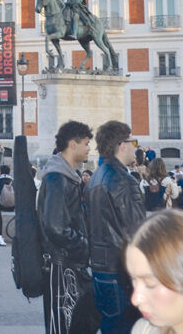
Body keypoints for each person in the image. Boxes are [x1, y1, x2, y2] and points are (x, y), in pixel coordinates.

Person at [38, 120, 99, 334]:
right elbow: (55, 227)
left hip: (68, 263)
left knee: (76, 323)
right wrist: (83, 244)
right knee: (63, 326)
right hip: (61, 265)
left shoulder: (66, 176)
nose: (89, 148)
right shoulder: (57, 178)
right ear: (73, 144)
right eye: (86, 143)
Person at [84, 120, 144, 334]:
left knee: (111, 326)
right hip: (121, 271)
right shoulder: (124, 181)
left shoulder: (95, 178)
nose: (136, 147)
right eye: (133, 142)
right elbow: (138, 231)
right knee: (125, 327)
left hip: (100, 268)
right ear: (122, 145)